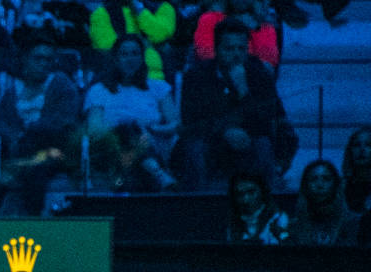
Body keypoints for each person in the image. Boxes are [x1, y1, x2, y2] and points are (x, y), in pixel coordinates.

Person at [175, 18, 294, 191]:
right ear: (217, 49)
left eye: (241, 48)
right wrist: (225, 131)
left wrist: (244, 91)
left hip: (250, 139)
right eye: (229, 49)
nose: (236, 54)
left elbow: (269, 119)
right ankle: (199, 206)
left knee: (263, 145)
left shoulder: (260, 74)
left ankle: (267, 203)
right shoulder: (196, 76)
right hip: (211, 139)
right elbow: (191, 122)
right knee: (196, 148)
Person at [0, 30, 81, 211]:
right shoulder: (12, 90)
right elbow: (1, 122)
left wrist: (30, 133)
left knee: (35, 141)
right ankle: (33, 222)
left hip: (57, 150)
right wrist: (18, 137)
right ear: (25, 59)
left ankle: (1, 186)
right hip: (25, 151)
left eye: (48, 59)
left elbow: (63, 121)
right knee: (36, 170)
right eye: (38, 58)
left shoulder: (61, 84)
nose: (44, 64)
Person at [83, 34, 178, 191]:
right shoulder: (98, 90)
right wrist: (123, 127)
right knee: (127, 128)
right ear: (115, 58)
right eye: (124, 54)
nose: (130, 59)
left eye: (135, 54)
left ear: (142, 58)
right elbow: (94, 129)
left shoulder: (158, 87)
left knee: (134, 136)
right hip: (112, 148)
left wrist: (153, 129)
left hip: (152, 142)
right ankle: (157, 173)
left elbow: (175, 124)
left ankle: (149, 168)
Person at [88, 0, 176, 81]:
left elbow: (160, 34)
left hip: (156, 77)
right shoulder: (102, 13)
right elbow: (107, 46)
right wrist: (143, 43)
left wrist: (140, 11)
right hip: (121, 80)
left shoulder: (162, 7)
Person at [287, 159, 361, 246]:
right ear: (305, 186)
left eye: (326, 179)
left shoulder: (352, 222)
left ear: (335, 185)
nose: (320, 185)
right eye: (313, 179)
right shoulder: (294, 225)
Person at [193, 0, 278, 69]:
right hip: (215, 82)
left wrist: (255, 29)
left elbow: (268, 63)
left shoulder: (265, 27)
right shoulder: (210, 19)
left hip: (253, 84)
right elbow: (206, 55)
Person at [226, 170, 289, 243]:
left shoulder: (278, 218)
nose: (246, 199)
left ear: (262, 191)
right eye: (240, 194)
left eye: (251, 192)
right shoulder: (232, 222)